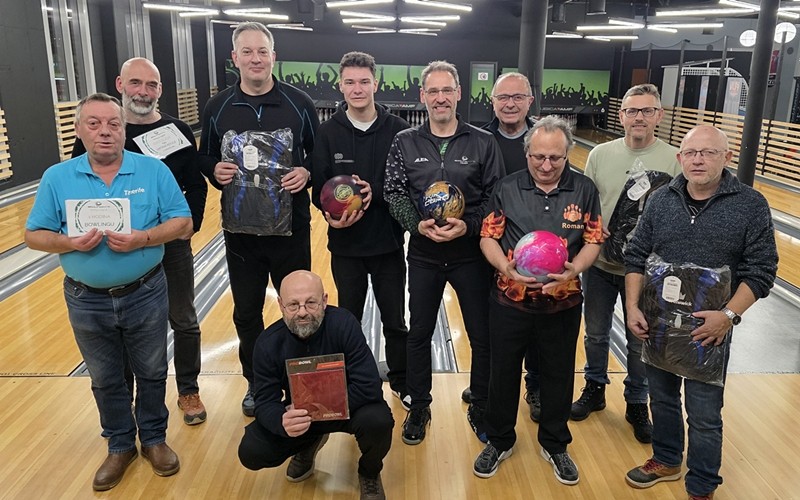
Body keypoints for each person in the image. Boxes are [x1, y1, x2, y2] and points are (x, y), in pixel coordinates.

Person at [25, 93, 192, 491]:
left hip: (145, 291)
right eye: (94, 123)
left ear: (124, 129)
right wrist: (68, 243)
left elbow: (183, 222)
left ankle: (154, 439)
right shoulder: (57, 177)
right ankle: (120, 444)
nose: (105, 131)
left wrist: (143, 238)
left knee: (152, 371)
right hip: (86, 298)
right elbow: (33, 235)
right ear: (79, 130)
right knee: (104, 378)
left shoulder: (152, 170)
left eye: (113, 124)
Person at [623, 125, 777, 500]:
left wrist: (728, 316)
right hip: (659, 324)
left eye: (708, 153)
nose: (698, 160)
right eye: (691, 153)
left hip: (711, 328)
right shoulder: (661, 199)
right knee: (661, 399)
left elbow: (762, 270)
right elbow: (636, 255)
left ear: (727, 157)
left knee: (704, 414)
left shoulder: (750, 204)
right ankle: (666, 459)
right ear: (680, 158)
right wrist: (632, 306)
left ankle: (702, 485)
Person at [73, 57, 209, 426]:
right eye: (135, 83)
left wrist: (190, 224)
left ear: (160, 90)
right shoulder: (103, 133)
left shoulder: (178, 130)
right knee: (126, 325)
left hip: (171, 242)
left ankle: (188, 389)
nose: (143, 92)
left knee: (184, 318)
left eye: (151, 85)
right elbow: (81, 184)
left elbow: (196, 184)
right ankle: (131, 397)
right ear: (120, 84)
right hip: (118, 245)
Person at [198, 22, 319, 417]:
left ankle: (300, 382)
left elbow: (319, 154)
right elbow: (205, 155)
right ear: (235, 58)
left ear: (273, 56)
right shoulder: (217, 107)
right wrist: (213, 170)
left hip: (291, 230)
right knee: (247, 314)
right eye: (247, 52)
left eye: (262, 51)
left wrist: (307, 172)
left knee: (301, 310)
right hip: (241, 234)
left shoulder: (300, 103)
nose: (255, 58)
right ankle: (257, 383)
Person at [473, 115, 603, 485]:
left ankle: (555, 443)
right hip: (510, 301)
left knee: (558, 374)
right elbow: (488, 237)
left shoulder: (584, 189)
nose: (546, 165)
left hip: (562, 302)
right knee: (502, 373)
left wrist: (575, 269)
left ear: (568, 154)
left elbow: (593, 239)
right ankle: (499, 440)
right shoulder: (507, 186)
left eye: (555, 158)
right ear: (527, 153)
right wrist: (505, 267)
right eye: (538, 157)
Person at [385, 60, 504, 445]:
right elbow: (394, 191)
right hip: (424, 252)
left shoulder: (483, 141)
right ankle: (420, 404)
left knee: (481, 335)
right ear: (423, 96)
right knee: (419, 332)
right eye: (433, 91)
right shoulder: (405, 141)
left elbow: (495, 195)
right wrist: (415, 224)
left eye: (447, 90)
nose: (440, 98)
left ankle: (480, 402)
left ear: (458, 94)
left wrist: (468, 226)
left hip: (471, 254)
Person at [573, 83, 681, 444]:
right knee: (596, 332)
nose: (639, 117)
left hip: (647, 272)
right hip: (600, 264)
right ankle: (594, 388)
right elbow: (586, 201)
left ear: (659, 115)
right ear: (621, 116)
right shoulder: (600, 154)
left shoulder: (675, 158)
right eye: (632, 110)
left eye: (647, 110)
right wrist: (592, 226)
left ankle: (637, 401)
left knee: (639, 339)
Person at [311, 51, 411, 410]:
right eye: (350, 82)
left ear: (375, 84)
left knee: (394, 320)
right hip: (346, 246)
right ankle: (352, 382)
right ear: (340, 85)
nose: (357, 88)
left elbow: (407, 184)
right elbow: (318, 189)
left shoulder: (399, 129)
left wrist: (376, 192)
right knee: (348, 320)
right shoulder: (327, 132)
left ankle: (401, 379)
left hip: (387, 244)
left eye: (364, 81)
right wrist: (330, 215)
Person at [238, 271, 393, 500]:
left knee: (379, 421)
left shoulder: (344, 324)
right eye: (293, 305)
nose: (302, 312)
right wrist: (282, 421)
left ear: (324, 300)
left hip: (348, 406)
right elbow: (264, 402)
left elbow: (369, 385)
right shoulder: (267, 343)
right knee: (251, 451)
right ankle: (307, 443)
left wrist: (322, 406)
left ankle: (369, 472)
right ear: (280, 305)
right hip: (302, 415)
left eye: (311, 303)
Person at [480, 71, 541, 422]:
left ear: (529, 101)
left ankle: (534, 386)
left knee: (536, 326)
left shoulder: (543, 139)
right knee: (490, 322)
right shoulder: (478, 138)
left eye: (518, 97)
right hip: (488, 247)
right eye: (503, 97)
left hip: (535, 253)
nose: (510, 104)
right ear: (493, 102)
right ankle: (489, 384)